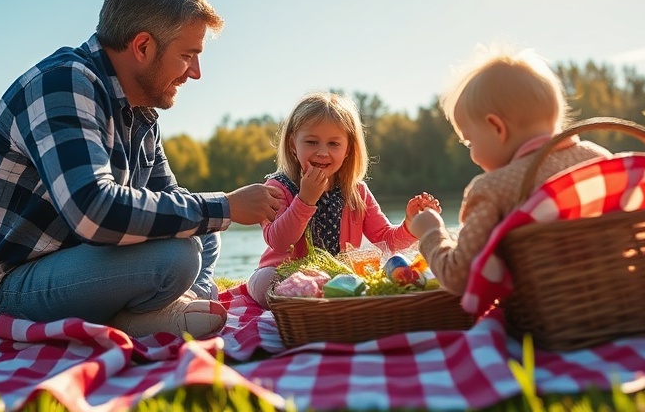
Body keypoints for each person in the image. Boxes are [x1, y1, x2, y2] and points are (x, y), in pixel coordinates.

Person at [0, 0, 283, 339]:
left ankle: (172, 308)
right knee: (178, 254)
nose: (195, 72)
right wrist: (227, 206)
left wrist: (213, 213)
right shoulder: (63, 84)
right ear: (143, 47)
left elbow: (171, 200)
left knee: (202, 233)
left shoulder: (141, 114)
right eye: (187, 55)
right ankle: (149, 315)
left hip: (72, 266)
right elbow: (94, 212)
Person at [408, 48, 612, 298]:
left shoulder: (493, 188)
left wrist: (431, 233)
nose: (472, 154)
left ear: (497, 127)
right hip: (619, 298)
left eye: (470, 142)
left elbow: (460, 276)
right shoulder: (598, 158)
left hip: (549, 313)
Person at [246, 91, 441, 307]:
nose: (322, 152)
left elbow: (385, 240)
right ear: (293, 144)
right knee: (265, 282)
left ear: (348, 149)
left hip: (336, 276)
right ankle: (303, 302)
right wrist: (305, 200)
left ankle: (327, 300)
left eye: (333, 144)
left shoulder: (356, 191)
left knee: (395, 264)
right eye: (311, 142)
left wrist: (410, 224)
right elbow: (280, 242)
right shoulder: (277, 188)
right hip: (284, 275)